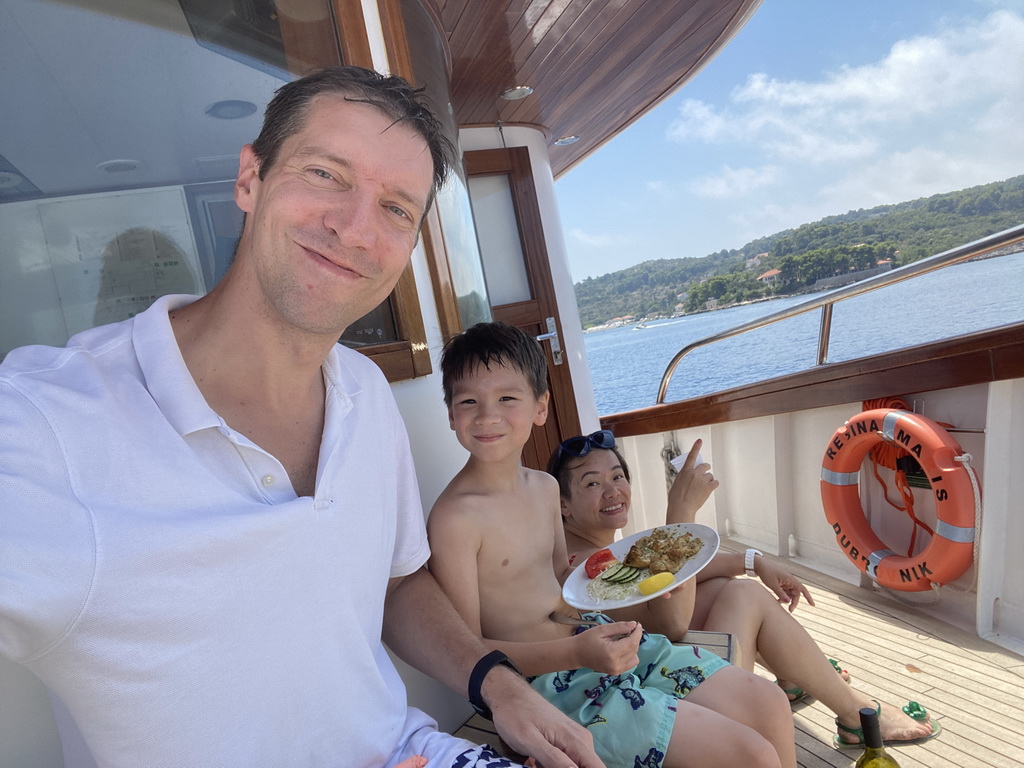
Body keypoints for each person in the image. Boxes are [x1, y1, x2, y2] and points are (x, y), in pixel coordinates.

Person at [0, 66, 602, 768]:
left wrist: (499, 684)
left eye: (397, 209)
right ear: (249, 180)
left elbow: (397, 582)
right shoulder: (46, 425)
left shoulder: (366, 393)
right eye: (326, 174)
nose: (354, 229)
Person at [428, 322, 797, 768]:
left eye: (507, 397)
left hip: (597, 639)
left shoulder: (545, 488)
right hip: (544, 686)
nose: (487, 415)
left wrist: (619, 584)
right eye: (469, 401)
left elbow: (562, 587)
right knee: (753, 755)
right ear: (451, 414)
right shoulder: (455, 520)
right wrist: (575, 653)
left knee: (770, 702)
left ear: (540, 407)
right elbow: (467, 655)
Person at [551, 433, 943, 750]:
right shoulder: (580, 572)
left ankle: (798, 674)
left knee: (726, 586)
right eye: (592, 483)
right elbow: (671, 622)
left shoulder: (598, 554)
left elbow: (656, 578)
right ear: (563, 506)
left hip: (655, 668)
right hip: (674, 707)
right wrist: (681, 516)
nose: (613, 491)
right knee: (745, 597)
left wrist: (754, 562)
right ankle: (853, 711)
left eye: (617, 476)